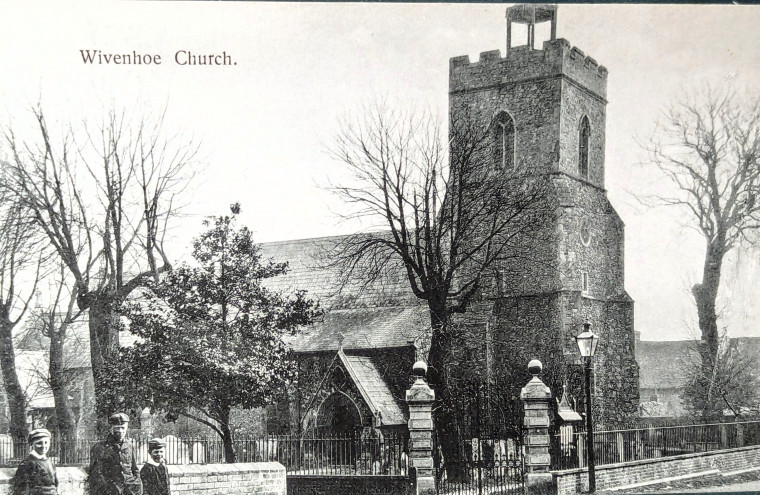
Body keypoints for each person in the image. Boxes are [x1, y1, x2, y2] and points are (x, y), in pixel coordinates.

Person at [89, 413, 143, 495]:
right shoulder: (100, 448)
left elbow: (134, 469)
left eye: (123, 428)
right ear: (111, 428)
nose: (120, 431)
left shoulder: (129, 446)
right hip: (109, 491)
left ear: (127, 428)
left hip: (129, 491)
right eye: (117, 428)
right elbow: (96, 474)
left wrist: (137, 487)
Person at [12, 428, 58, 495]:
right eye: (39, 443)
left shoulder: (50, 463)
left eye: (46, 442)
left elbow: (55, 485)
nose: (43, 446)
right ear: (32, 445)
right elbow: (21, 490)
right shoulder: (27, 464)